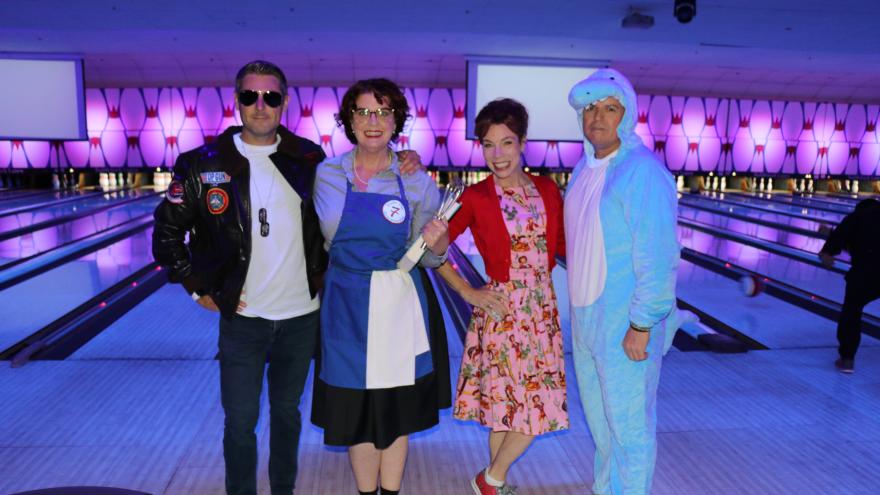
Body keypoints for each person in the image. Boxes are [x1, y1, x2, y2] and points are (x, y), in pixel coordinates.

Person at [152, 61, 423, 495]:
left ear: (284, 102)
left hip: (302, 317)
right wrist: (198, 287)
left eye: (271, 97)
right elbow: (166, 234)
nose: (261, 105)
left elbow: (366, 178)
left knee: (287, 414)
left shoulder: (308, 159)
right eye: (250, 96)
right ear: (237, 100)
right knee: (239, 420)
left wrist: (407, 158)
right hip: (242, 319)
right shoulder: (201, 165)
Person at [311, 78, 451, 495]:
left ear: (396, 121)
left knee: (396, 411)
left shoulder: (416, 180)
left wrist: (439, 242)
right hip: (345, 305)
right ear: (349, 120)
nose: (373, 121)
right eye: (363, 112)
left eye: (384, 112)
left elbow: (429, 254)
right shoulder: (326, 174)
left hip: (397, 305)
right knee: (356, 410)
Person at [435, 98, 567, 495]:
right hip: (502, 311)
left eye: (506, 143)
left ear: (523, 142)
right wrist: (467, 291)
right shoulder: (476, 197)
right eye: (488, 145)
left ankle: (492, 482)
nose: (498, 154)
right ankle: (491, 481)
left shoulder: (546, 189)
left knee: (517, 412)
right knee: (529, 411)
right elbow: (432, 251)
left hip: (541, 310)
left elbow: (564, 245)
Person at [565, 69, 680, 495]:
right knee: (602, 429)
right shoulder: (583, 170)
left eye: (609, 108)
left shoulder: (642, 172)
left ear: (626, 115)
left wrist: (642, 324)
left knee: (630, 432)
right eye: (590, 109)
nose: (597, 117)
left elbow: (659, 254)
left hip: (625, 328)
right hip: (588, 323)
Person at [819, 198, 880, 374]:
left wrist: (826, 251)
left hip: (865, 274)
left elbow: (850, 241)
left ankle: (847, 360)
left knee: (851, 312)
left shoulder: (857, 217)